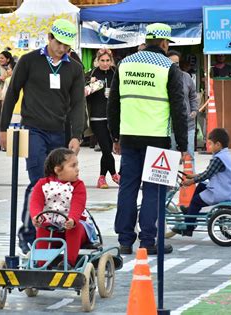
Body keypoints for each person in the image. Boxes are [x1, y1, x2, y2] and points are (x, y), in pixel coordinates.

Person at [0, 19, 85, 254]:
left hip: (59, 131)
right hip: (32, 129)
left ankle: (52, 231)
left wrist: (77, 135)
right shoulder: (29, 61)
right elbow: (12, 93)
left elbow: (78, 103)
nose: (62, 49)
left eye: (66, 45)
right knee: (39, 181)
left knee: (58, 183)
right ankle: (28, 233)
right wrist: (3, 128)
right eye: (58, 43)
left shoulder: (74, 68)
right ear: (49, 38)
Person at [108, 23, 188, 255]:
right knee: (154, 191)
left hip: (129, 138)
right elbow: (179, 109)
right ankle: (148, 241)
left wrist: (115, 136)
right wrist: (183, 145)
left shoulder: (124, 64)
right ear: (164, 43)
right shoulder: (168, 67)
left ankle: (124, 240)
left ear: (147, 39)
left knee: (127, 188)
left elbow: (113, 104)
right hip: (158, 140)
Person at [30, 148, 96, 268]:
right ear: (57, 170)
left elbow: (78, 205)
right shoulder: (43, 184)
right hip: (52, 228)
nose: (77, 169)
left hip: (74, 227)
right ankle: (41, 264)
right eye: (73, 166)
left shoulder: (78, 186)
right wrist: (36, 216)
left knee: (74, 228)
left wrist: (72, 220)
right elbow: (35, 202)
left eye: (77, 165)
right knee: (42, 228)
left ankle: (69, 262)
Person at [171, 128, 231, 236]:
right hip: (227, 188)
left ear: (218, 144)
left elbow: (207, 175)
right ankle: (190, 211)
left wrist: (191, 181)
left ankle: (188, 228)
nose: (209, 146)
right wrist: (194, 176)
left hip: (222, 192)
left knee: (196, 201)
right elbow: (209, 172)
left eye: (210, 144)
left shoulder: (218, 159)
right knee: (202, 186)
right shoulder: (224, 154)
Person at [86, 48, 120, 188]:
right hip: (96, 117)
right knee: (106, 148)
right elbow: (81, 87)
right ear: (97, 61)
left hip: (113, 117)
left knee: (108, 148)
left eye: (107, 60)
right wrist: (89, 83)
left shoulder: (116, 74)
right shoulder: (91, 74)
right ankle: (114, 174)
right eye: (102, 60)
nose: (105, 63)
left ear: (111, 61)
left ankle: (101, 178)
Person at [167, 50, 199, 169]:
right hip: (169, 124)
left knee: (189, 155)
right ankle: (172, 184)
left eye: (177, 63)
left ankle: (190, 183)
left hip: (187, 123)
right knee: (171, 155)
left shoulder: (186, 77)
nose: (174, 66)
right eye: (171, 63)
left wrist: (194, 111)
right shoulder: (162, 78)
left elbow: (193, 96)